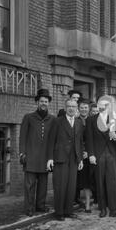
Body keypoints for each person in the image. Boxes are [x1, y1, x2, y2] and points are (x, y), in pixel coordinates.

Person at [86, 96, 116, 219]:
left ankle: (113, 209)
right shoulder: (91, 119)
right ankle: (102, 208)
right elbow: (89, 138)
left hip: (111, 153)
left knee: (112, 182)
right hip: (98, 154)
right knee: (100, 181)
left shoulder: (115, 119)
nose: (104, 107)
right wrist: (91, 154)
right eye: (101, 104)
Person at [19, 89, 55, 217]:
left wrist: (51, 157)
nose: (44, 103)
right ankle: (29, 208)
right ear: (37, 102)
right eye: (41, 101)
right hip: (31, 157)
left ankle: (40, 206)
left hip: (45, 158)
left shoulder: (52, 119)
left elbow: (53, 139)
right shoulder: (28, 117)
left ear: (48, 103)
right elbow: (22, 136)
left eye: (46, 101)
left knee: (43, 185)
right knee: (29, 185)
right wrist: (22, 153)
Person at [47, 99, 84, 221]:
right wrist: (50, 158)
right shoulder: (57, 121)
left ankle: (69, 210)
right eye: (69, 106)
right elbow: (51, 140)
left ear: (76, 108)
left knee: (71, 186)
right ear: (65, 107)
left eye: (74, 106)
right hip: (60, 157)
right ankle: (59, 212)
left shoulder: (79, 122)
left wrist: (80, 159)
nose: (71, 108)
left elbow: (79, 142)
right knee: (60, 185)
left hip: (74, 158)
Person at [76, 100, 95, 213]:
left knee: (87, 181)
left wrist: (88, 151)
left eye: (86, 108)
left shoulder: (92, 121)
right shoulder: (76, 120)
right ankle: (75, 201)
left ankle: (88, 204)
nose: (84, 109)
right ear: (79, 109)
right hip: (77, 154)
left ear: (88, 109)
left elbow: (93, 139)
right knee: (76, 181)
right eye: (82, 108)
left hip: (88, 155)